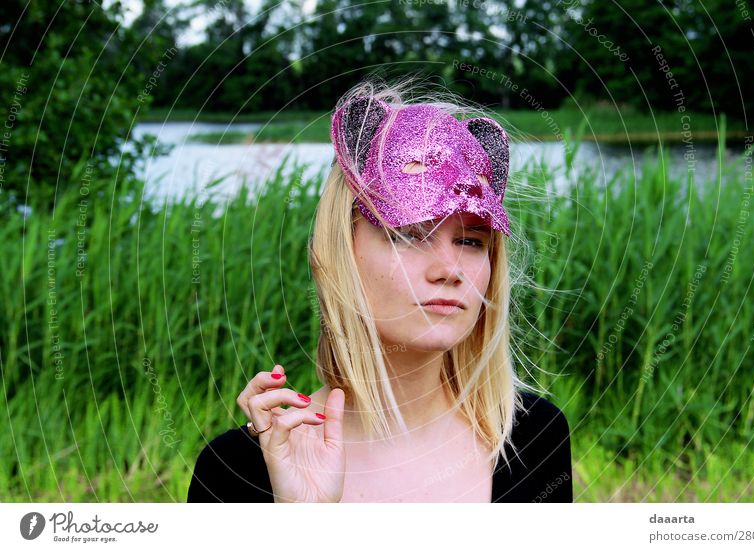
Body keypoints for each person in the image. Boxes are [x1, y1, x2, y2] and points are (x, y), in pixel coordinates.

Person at [187, 78, 573, 503]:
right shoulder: (240, 468)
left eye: (471, 240)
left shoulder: (534, 439)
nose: (450, 269)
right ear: (340, 253)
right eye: (407, 234)